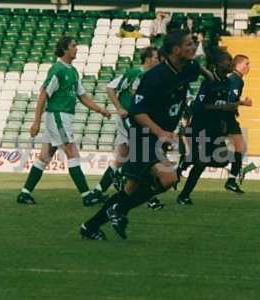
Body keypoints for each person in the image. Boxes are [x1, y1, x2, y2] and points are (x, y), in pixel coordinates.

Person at [80, 30, 203, 240]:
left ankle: (90, 226)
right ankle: (120, 210)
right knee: (168, 178)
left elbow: (199, 69)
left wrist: (214, 77)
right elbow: (137, 112)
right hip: (144, 136)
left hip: (158, 138)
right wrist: (161, 132)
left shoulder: (187, 67)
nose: (194, 47)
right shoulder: (154, 77)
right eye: (189, 44)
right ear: (175, 50)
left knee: (130, 189)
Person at [16, 36, 111, 206]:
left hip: (63, 117)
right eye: (74, 46)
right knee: (72, 153)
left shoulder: (73, 71)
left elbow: (82, 95)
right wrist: (36, 121)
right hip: (58, 116)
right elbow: (44, 95)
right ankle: (87, 196)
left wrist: (100, 109)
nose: (77, 48)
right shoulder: (57, 70)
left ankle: (24, 193)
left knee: (45, 157)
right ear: (65, 49)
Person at [92, 46, 165, 211]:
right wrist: (119, 108)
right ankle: (149, 196)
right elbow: (110, 88)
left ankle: (97, 191)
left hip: (136, 120)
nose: (158, 60)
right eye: (155, 57)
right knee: (142, 153)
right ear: (147, 59)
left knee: (122, 158)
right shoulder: (135, 73)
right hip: (128, 119)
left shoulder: (152, 77)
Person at [176, 47, 237, 205]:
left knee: (223, 160)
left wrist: (224, 121)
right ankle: (184, 195)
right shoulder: (208, 82)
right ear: (218, 64)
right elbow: (198, 106)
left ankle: (188, 160)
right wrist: (220, 108)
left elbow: (223, 105)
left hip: (216, 128)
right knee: (201, 163)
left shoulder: (227, 82)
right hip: (201, 127)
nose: (231, 63)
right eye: (228, 60)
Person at [224, 55, 253, 194]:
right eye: (247, 63)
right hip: (226, 118)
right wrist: (243, 103)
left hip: (226, 117)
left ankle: (232, 180)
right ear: (239, 65)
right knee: (240, 148)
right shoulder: (236, 80)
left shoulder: (232, 78)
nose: (249, 67)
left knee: (239, 147)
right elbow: (231, 100)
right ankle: (231, 180)